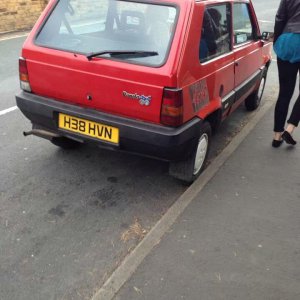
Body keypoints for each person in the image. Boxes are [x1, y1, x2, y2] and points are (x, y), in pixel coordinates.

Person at [272, 0, 300, 147]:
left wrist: (277, 40)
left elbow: (280, 18)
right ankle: (290, 128)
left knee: (284, 92)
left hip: (288, 40)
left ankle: (277, 136)